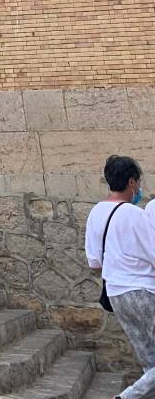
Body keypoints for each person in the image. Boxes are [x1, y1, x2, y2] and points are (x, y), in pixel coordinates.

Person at [84, 155, 155, 399]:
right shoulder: (135, 215)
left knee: (149, 360)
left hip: (115, 293)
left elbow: (94, 261)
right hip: (143, 292)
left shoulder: (95, 213)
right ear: (132, 182)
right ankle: (127, 397)